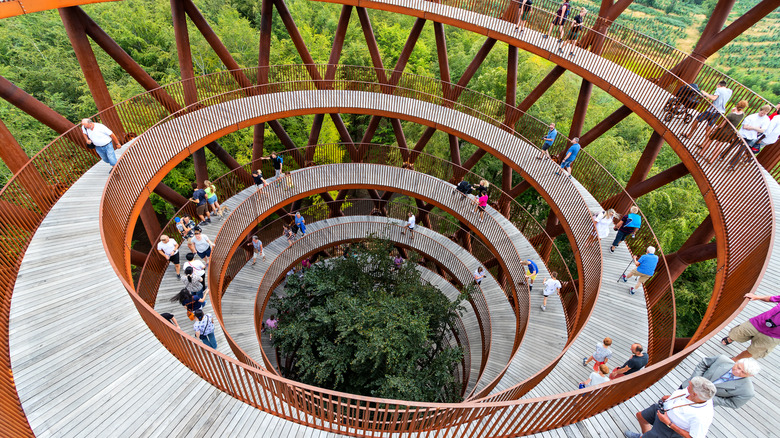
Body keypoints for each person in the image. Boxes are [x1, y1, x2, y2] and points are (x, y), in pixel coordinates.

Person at [624, 377, 716, 438]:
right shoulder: (698, 395)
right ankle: (645, 435)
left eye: (690, 386)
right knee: (641, 416)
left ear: (694, 394)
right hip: (664, 409)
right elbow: (684, 395)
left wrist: (668, 423)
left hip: (668, 429)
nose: (688, 385)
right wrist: (670, 397)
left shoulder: (702, 417)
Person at [680, 355, 760, 409]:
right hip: (687, 387)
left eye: (743, 373)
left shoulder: (747, 392)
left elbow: (733, 404)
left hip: (701, 403)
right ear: (737, 362)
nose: (738, 372)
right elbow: (704, 363)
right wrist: (695, 379)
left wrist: (706, 397)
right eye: (738, 367)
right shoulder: (721, 359)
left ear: (750, 376)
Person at [722, 292, 780, 360]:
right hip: (759, 322)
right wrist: (757, 297)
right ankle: (731, 338)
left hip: (773, 336)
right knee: (737, 332)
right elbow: (772, 298)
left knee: (754, 352)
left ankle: (735, 359)